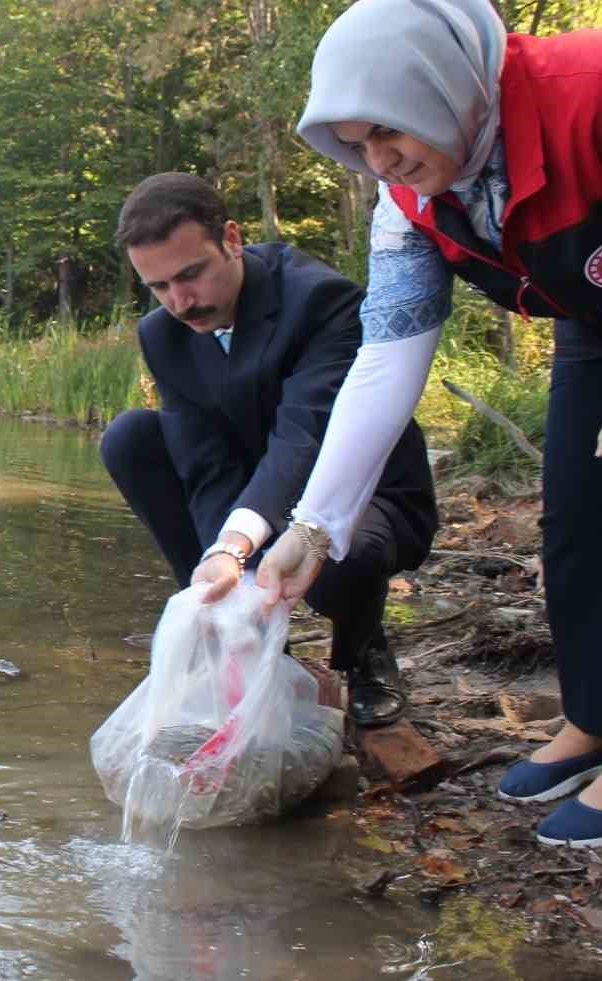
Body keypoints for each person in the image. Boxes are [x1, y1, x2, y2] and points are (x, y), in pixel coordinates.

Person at [263, 0, 602, 846]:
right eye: (358, 143)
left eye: (388, 130)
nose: (381, 158)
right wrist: (315, 527)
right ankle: (592, 719)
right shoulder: (406, 200)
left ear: (437, 88)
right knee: (577, 522)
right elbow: (387, 360)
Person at [100, 173, 439, 727]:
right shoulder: (162, 333)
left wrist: (238, 542)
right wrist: (223, 561)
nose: (181, 302)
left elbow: (303, 437)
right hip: (251, 489)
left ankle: (363, 651)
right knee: (132, 438)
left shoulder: (320, 301)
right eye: (159, 287)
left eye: (191, 274)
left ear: (232, 239)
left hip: (358, 494)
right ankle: (237, 634)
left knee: (334, 554)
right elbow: (203, 461)